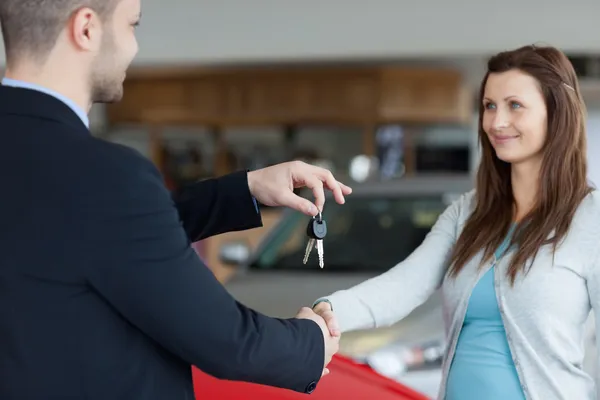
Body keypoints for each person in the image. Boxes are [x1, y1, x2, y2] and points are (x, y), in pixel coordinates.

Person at [0, 0, 350, 399]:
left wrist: (245, 188)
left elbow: (93, 237)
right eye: (132, 25)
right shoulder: (105, 178)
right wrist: (311, 341)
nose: (134, 47)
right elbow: (227, 340)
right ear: (86, 28)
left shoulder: (77, 181)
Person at [311, 44, 600, 400]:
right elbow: (402, 286)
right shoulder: (468, 213)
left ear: (556, 114)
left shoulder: (590, 218)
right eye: (489, 106)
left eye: (515, 105)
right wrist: (327, 311)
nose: (496, 122)